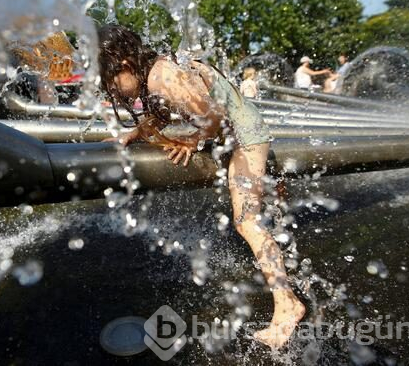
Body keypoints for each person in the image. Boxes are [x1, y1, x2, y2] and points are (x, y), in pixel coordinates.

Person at [98, 25, 305, 349]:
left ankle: (288, 304)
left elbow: (216, 116)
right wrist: (134, 134)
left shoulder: (161, 76)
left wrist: (193, 141)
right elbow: (163, 113)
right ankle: (279, 217)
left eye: (112, 82)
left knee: (246, 221)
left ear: (124, 63)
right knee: (260, 211)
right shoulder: (156, 73)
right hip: (237, 133)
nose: (115, 91)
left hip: (245, 134)